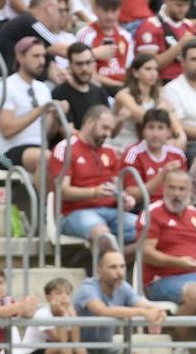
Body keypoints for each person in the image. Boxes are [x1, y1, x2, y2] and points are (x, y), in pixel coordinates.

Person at [141, 169, 196, 316]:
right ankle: (177, 337)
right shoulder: (152, 213)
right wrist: (178, 262)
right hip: (162, 280)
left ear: (190, 191)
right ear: (163, 188)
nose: (176, 194)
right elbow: (146, 253)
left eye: (182, 189)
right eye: (172, 188)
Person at [73, 249, 167, 354]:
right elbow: (102, 310)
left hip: (105, 350)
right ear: (99, 270)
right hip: (78, 349)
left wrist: (157, 312)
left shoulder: (123, 286)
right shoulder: (88, 287)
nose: (119, 272)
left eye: (122, 266)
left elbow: (143, 305)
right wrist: (144, 313)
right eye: (113, 267)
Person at [51, 105, 136, 250]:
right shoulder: (66, 148)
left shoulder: (109, 151)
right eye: (105, 128)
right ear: (90, 122)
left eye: (110, 129)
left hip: (111, 211)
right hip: (74, 212)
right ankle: (111, 266)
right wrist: (94, 192)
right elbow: (62, 191)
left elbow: (117, 187)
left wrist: (125, 197)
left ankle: (116, 263)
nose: (109, 134)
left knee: (151, 227)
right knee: (102, 235)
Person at [0, 37, 56, 173]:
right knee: (47, 158)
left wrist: (54, 115)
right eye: (36, 56)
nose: (41, 61)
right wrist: (40, 110)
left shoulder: (43, 88)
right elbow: (6, 131)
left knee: (63, 157)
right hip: (4, 156)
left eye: (43, 56)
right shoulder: (5, 87)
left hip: (38, 148)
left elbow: (46, 133)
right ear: (20, 57)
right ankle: (44, 195)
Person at [134, 0, 196, 83]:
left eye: (187, 5)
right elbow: (147, 66)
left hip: (190, 82)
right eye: (179, 5)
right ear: (166, 0)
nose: (183, 9)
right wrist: (179, 46)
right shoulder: (150, 26)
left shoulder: (189, 26)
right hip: (162, 83)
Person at [76, 0, 134, 92]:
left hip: (123, 90)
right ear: (95, 9)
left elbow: (129, 70)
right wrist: (121, 86)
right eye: (105, 10)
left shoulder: (126, 36)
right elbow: (88, 75)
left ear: (120, 10)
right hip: (98, 89)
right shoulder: (85, 35)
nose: (109, 16)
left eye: (113, 10)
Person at [123, 108, 186, 203]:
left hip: (174, 205)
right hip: (144, 207)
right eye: (151, 128)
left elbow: (185, 189)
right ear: (143, 130)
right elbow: (132, 194)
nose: (155, 134)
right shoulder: (133, 154)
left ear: (169, 132)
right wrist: (162, 175)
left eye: (160, 128)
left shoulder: (178, 154)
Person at [53, 43, 113, 132]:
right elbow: (68, 132)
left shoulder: (99, 92)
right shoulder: (59, 93)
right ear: (70, 65)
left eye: (88, 62)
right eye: (79, 64)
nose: (84, 68)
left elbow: (108, 129)